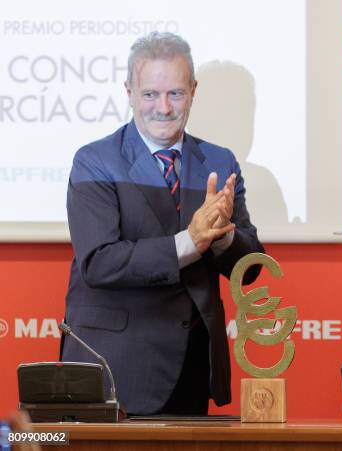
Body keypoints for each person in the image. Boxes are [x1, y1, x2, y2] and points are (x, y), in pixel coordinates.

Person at [61, 31, 264, 415]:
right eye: (150, 94)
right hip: (114, 366)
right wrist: (190, 240)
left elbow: (250, 268)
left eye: (176, 93)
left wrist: (221, 238)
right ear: (129, 91)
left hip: (191, 367)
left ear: (193, 90)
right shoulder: (94, 161)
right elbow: (100, 262)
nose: (164, 107)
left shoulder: (221, 163)